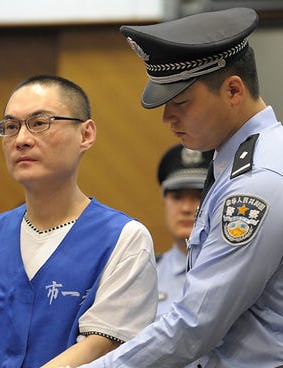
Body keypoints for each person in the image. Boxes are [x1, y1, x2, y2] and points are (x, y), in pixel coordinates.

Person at [79, 7, 283, 367]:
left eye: (181, 103)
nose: (167, 117)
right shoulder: (239, 162)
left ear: (234, 90)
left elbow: (195, 324)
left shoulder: (257, 181)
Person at [0, 75, 158, 367]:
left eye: (40, 123)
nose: (21, 140)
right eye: (11, 127)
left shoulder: (124, 239)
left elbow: (103, 348)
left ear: (86, 134)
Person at [155, 144, 211, 319]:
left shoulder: (239, 271)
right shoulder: (146, 274)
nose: (186, 208)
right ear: (164, 201)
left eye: (199, 196)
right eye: (177, 197)